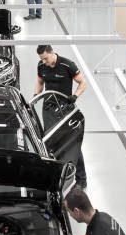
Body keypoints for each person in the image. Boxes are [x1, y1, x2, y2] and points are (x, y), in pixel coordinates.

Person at [34, 44, 88, 188]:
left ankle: (81, 180)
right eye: (42, 59)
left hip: (65, 109)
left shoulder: (67, 65)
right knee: (50, 142)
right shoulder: (41, 66)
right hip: (49, 108)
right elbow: (40, 81)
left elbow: (83, 83)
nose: (44, 62)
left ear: (52, 53)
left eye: (45, 58)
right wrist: (36, 95)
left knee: (71, 143)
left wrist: (74, 96)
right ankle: (57, 174)